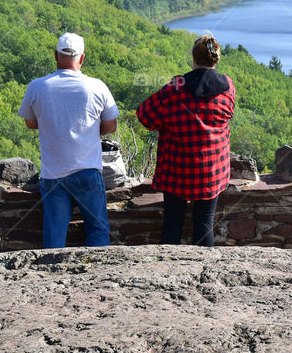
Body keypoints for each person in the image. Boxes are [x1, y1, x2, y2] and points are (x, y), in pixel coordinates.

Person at [18, 32, 119, 248]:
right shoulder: (97, 86)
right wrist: (89, 130)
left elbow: (30, 123)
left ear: (56, 56)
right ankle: (98, 276)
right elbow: (111, 126)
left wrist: (54, 124)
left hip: (52, 173)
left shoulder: (37, 86)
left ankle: (52, 276)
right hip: (88, 171)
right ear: (82, 58)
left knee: (54, 235)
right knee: (98, 229)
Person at [136, 34, 236, 246]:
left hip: (176, 170)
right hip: (212, 170)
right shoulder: (228, 87)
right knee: (205, 223)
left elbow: (144, 116)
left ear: (193, 57)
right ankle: (203, 269)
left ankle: (168, 267)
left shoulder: (175, 88)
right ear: (217, 59)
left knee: (173, 222)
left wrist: (167, 123)